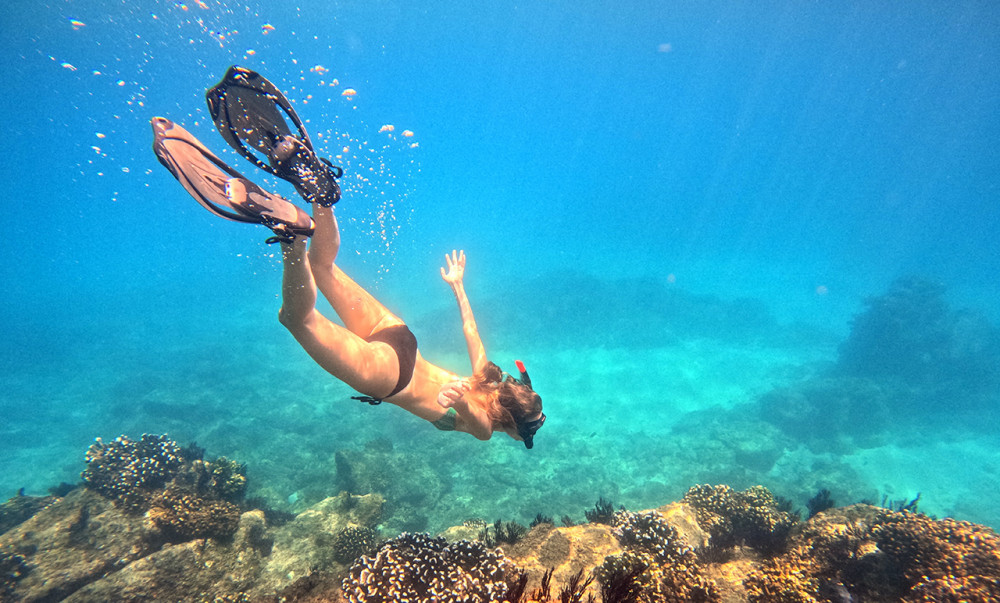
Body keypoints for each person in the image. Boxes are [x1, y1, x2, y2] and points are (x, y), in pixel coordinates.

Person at [151, 66, 545, 447]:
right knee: (297, 318)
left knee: (323, 268)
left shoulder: (486, 376)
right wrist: (455, 396)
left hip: (400, 337)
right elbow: (473, 419)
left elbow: (471, 331)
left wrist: (458, 286)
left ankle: (323, 201)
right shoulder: (485, 429)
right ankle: (293, 238)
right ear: (512, 426)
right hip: (389, 377)